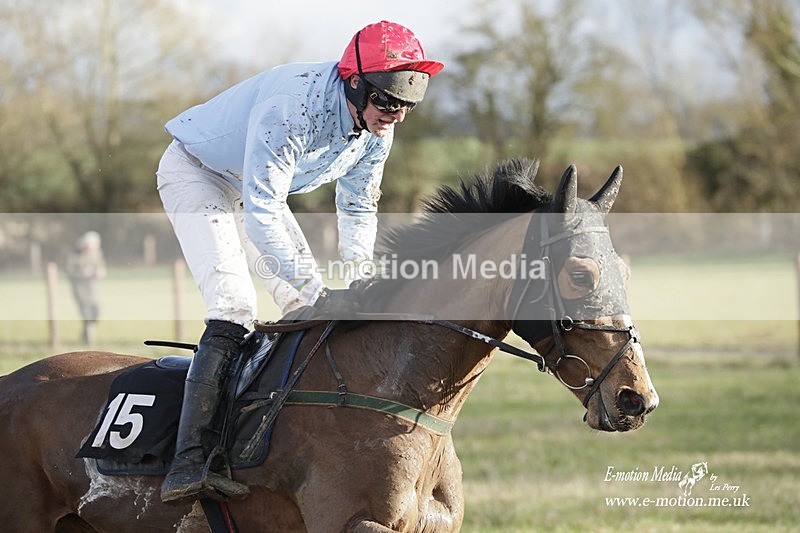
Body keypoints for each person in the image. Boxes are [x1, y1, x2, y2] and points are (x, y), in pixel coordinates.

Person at [157, 20, 443, 503]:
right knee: (234, 304)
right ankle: (190, 460)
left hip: (253, 190)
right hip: (199, 175)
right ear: (356, 83)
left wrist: (359, 282)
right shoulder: (292, 107)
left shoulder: (376, 129)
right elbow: (264, 211)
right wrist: (318, 292)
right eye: (387, 102)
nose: (395, 116)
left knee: (301, 308)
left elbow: (358, 207)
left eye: (406, 106)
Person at [65, 231, 106, 346]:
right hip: (80, 289)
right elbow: (69, 271)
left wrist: (100, 272)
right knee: (86, 314)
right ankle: (89, 340)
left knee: (95, 312)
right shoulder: (73, 253)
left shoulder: (97, 252)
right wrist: (82, 273)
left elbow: (101, 266)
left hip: (93, 288)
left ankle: (85, 335)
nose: (91, 250)